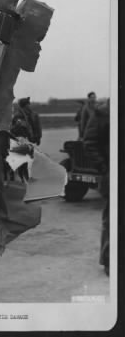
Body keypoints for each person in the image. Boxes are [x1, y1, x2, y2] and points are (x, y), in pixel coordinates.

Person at [83, 99, 110, 276]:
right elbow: (89, 142)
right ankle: (110, 261)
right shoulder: (103, 113)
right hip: (113, 173)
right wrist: (104, 167)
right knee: (113, 220)